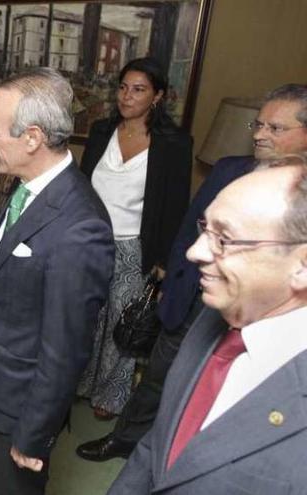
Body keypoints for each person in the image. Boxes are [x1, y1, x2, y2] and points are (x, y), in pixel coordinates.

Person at [78, 83, 307, 462]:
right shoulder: (231, 169)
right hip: (194, 302)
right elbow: (191, 225)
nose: (261, 134)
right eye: (258, 125)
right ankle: (126, 441)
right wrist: (173, 275)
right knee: (159, 378)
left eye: (275, 128)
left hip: (258, 319)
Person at [0, 67, 115, 495]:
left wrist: (34, 431)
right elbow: (0, 292)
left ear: (32, 138)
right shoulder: (23, 184)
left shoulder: (81, 226)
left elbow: (66, 348)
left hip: (21, 405)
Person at [109, 161, 307, 494]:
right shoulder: (212, 316)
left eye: (224, 240)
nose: (194, 251)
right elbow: (158, 444)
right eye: (206, 230)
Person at [76, 57, 193, 422]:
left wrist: (163, 260)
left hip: (134, 248)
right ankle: (79, 381)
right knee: (86, 316)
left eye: (139, 89)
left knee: (123, 325)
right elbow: (81, 186)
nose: (127, 96)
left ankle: (110, 395)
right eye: (123, 87)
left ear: (157, 96)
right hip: (90, 241)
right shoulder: (100, 131)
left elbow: (175, 206)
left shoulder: (173, 143)